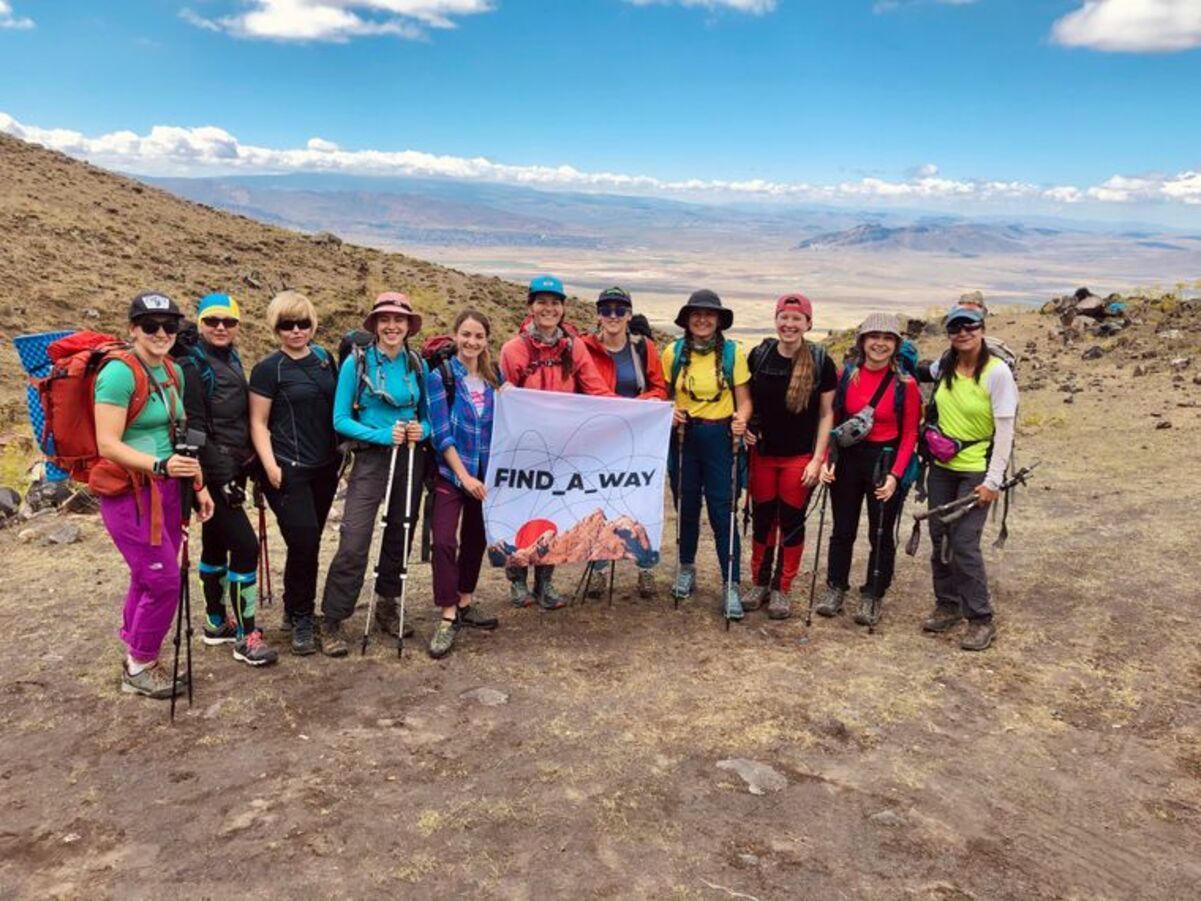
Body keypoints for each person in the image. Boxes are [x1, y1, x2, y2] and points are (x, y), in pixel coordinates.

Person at [93, 292, 214, 698]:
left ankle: (134, 647)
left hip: (167, 489)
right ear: (133, 330)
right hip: (130, 492)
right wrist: (159, 467)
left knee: (149, 574)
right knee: (163, 581)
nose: (161, 333)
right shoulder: (119, 373)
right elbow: (107, 443)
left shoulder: (171, 371)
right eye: (150, 325)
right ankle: (140, 664)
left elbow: (177, 437)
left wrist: (198, 485)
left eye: (169, 325)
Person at [320, 293, 429, 657]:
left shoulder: (417, 364)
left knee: (400, 532)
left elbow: (428, 417)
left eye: (399, 320)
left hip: (409, 457)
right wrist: (382, 435)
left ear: (408, 325)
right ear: (375, 324)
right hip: (370, 460)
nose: (392, 326)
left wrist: (422, 431)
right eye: (385, 319)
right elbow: (340, 420)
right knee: (355, 538)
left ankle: (387, 603)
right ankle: (333, 618)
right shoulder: (357, 363)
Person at [498, 275, 613, 610]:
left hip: (562, 449)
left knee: (551, 516)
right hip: (522, 451)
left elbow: (595, 389)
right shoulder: (514, 349)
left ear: (563, 308)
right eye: (542, 302)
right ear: (531, 306)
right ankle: (517, 582)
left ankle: (545, 583)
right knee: (521, 514)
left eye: (555, 303)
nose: (549, 308)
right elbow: (506, 401)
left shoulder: (573, 347)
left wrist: (634, 411)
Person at [177, 293, 278, 667]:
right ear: (201, 323)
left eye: (228, 321)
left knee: (217, 542)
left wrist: (247, 465)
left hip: (229, 468)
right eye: (213, 321)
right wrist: (219, 481)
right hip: (208, 475)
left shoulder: (227, 357)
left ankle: (216, 621)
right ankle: (245, 636)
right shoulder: (192, 365)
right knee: (246, 545)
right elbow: (196, 429)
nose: (221, 327)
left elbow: (232, 421)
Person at [921, 305, 1018, 651]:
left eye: (969, 326)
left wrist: (993, 481)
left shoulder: (997, 373)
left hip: (978, 466)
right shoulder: (944, 366)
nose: (962, 333)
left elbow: (1005, 430)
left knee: (963, 541)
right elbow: (921, 375)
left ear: (982, 329)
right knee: (939, 533)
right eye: (955, 328)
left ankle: (980, 618)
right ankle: (947, 604)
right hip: (943, 466)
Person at [248, 291, 340, 656]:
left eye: (303, 323)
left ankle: (294, 609)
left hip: (325, 468)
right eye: (287, 325)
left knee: (311, 542)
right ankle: (302, 616)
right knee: (303, 542)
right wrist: (270, 466)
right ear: (276, 328)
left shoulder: (323, 359)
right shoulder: (269, 369)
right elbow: (258, 422)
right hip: (288, 470)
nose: (296, 331)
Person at [815, 313, 920, 627]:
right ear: (862, 341)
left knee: (881, 532)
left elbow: (910, 433)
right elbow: (832, 422)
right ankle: (836, 587)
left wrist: (895, 475)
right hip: (847, 458)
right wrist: (825, 462)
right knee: (842, 529)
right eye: (874, 337)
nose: (880, 344)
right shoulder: (846, 376)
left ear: (896, 345)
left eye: (888, 339)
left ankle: (874, 593)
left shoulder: (906, 385)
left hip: (884, 460)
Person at [742, 294, 837, 619]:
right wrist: (748, 427)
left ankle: (783, 589)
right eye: (784, 317)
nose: (789, 324)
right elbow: (749, 401)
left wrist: (818, 459)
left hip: (799, 457)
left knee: (791, 523)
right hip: (763, 455)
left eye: (797, 319)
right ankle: (759, 583)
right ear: (776, 320)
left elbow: (827, 414)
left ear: (808, 324)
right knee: (763, 519)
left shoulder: (822, 362)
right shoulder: (760, 355)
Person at [660, 289, 752, 619]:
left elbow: (744, 397)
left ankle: (731, 584)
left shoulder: (732, 353)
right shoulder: (672, 352)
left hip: (719, 437)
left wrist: (742, 418)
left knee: (722, 510)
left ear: (718, 320)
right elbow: (663, 393)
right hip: (684, 436)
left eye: (709, 314)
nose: (702, 319)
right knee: (686, 505)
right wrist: (668, 412)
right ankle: (686, 568)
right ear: (687, 319)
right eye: (696, 314)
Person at [580, 286, 669, 598]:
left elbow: (659, 387)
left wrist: (633, 407)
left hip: (639, 437)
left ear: (629, 314)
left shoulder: (643, 348)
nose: (613, 316)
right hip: (599, 440)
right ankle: (599, 568)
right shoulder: (584, 347)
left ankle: (644, 567)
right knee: (599, 503)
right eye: (606, 310)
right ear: (598, 314)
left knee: (639, 499)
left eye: (620, 310)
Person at [425, 309, 502, 658]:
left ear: (487, 340)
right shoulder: (441, 376)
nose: (472, 342)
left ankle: (466, 601)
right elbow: (441, 433)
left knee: (476, 538)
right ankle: (447, 613)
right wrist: (464, 476)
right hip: (452, 473)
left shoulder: (493, 378)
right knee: (442, 540)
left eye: (479, 336)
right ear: (456, 335)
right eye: (466, 335)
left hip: (486, 474)